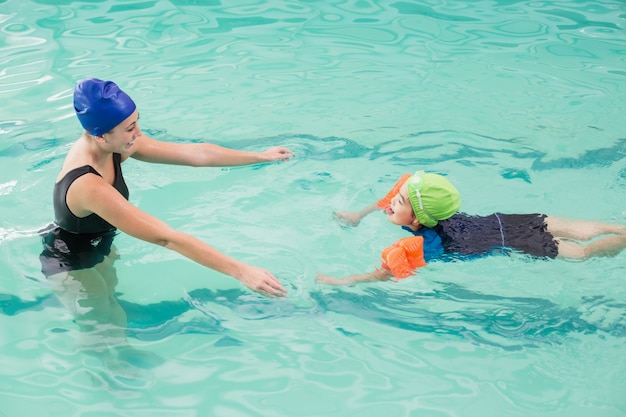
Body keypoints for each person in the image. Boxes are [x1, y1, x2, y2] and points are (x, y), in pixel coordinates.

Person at [39, 78, 294, 366]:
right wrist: (240, 271)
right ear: (100, 136)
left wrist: (260, 156)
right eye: (130, 128)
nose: (138, 133)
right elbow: (165, 237)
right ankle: (100, 378)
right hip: (71, 261)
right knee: (98, 326)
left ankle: (118, 361)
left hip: (100, 242)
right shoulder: (87, 184)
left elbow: (196, 154)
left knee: (115, 315)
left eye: (137, 122)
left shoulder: (115, 142)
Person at [317, 171, 626, 285]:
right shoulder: (431, 205)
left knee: (584, 253)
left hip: (521, 242)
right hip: (512, 221)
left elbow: (384, 274)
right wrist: (358, 215)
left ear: (416, 220)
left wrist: (343, 281)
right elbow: (400, 188)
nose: (390, 205)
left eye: (398, 203)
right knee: (588, 229)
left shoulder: (422, 244)